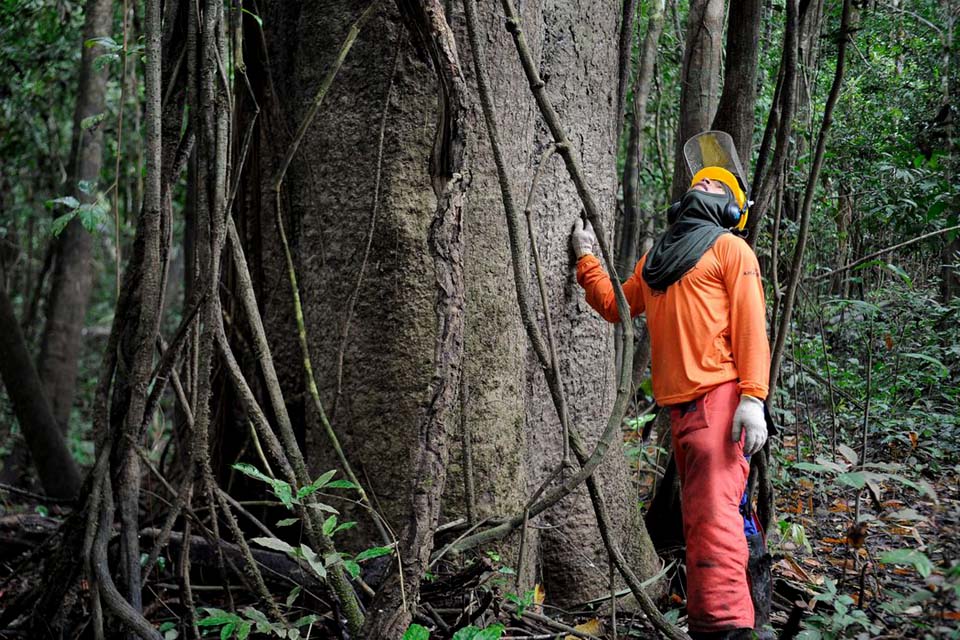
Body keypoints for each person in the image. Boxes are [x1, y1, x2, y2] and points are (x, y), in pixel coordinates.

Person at [571, 153, 771, 639]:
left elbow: (750, 329)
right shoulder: (660, 261)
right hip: (688, 413)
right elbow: (616, 304)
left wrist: (752, 398)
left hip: (718, 405)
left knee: (714, 519)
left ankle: (725, 627)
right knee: (716, 515)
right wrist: (585, 258)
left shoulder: (727, 251)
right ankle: (743, 618)